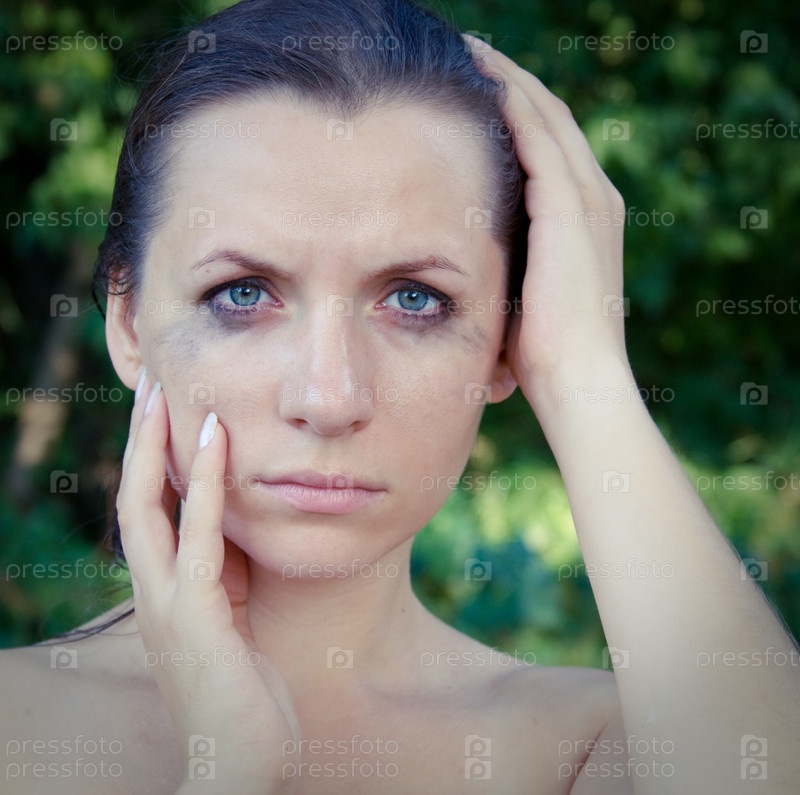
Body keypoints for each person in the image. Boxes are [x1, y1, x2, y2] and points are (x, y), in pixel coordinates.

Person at [2, 0, 798, 792]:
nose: (329, 397)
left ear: (507, 337)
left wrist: (583, 370)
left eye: (415, 300)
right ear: (128, 322)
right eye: (242, 292)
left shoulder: (595, 752)